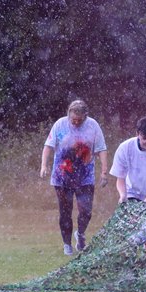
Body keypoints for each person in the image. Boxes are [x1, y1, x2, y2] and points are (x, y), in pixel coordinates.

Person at [40, 99, 109, 254]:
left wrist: (104, 172)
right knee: (65, 211)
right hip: (62, 177)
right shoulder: (60, 124)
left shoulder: (93, 126)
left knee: (86, 211)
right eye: (73, 120)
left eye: (79, 120)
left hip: (85, 176)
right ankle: (67, 244)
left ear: (85, 117)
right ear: (68, 115)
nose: (76, 123)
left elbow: (101, 149)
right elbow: (48, 146)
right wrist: (44, 165)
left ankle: (80, 233)